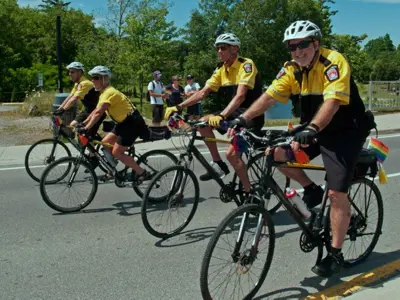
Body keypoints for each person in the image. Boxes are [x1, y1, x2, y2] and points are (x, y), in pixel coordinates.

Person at [232, 20, 370, 277]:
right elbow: (270, 96)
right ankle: (310, 188)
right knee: (277, 154)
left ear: (316, 43)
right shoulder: (292, 69)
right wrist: (243, 119)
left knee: (336, 193)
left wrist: (312, 129)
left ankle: (336, 254)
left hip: (345, 132)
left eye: (302, 44)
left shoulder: (333, 62)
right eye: (291, 46)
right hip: (314, 127)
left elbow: (332, 103)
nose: (297, 51)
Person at [164, 33, 264, 192]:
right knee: (203, 123)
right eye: (217, 48)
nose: (219, 51)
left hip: (250, 115)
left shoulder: (246, 65)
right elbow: (203, 93)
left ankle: (249, 191)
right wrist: (179, 107)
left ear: (235, 48)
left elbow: (240, 96)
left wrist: (221, 115)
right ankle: (218, 164)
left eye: (223, 47)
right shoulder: (221, 69)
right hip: (232, 113)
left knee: (231, 154)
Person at [82, 66, 152, 184]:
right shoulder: (104, 92)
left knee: (116, 152)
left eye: (95, 77)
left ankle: (143, 173)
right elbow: (95, 111)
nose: (92, 80)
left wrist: (86, 128)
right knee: (105, 143)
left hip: (132, 123)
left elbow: (99, 113)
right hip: (123, 123)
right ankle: (113, 171)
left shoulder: (110, 92)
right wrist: (83, 123)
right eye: (92, 77)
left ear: (104, 79)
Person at [55, 61, 103, 169]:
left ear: (80, 72)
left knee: (85, 134)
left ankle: (94, 158)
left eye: (72, 72)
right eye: (69, 72)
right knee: (73, 126)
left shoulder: (85, 83)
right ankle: (91, 146)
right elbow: (70, 96)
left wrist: (63, 110)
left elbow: (75, 99)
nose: (69, 74)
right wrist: (59, 109)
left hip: (97, 111)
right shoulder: (77, 84)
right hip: (87, 110)